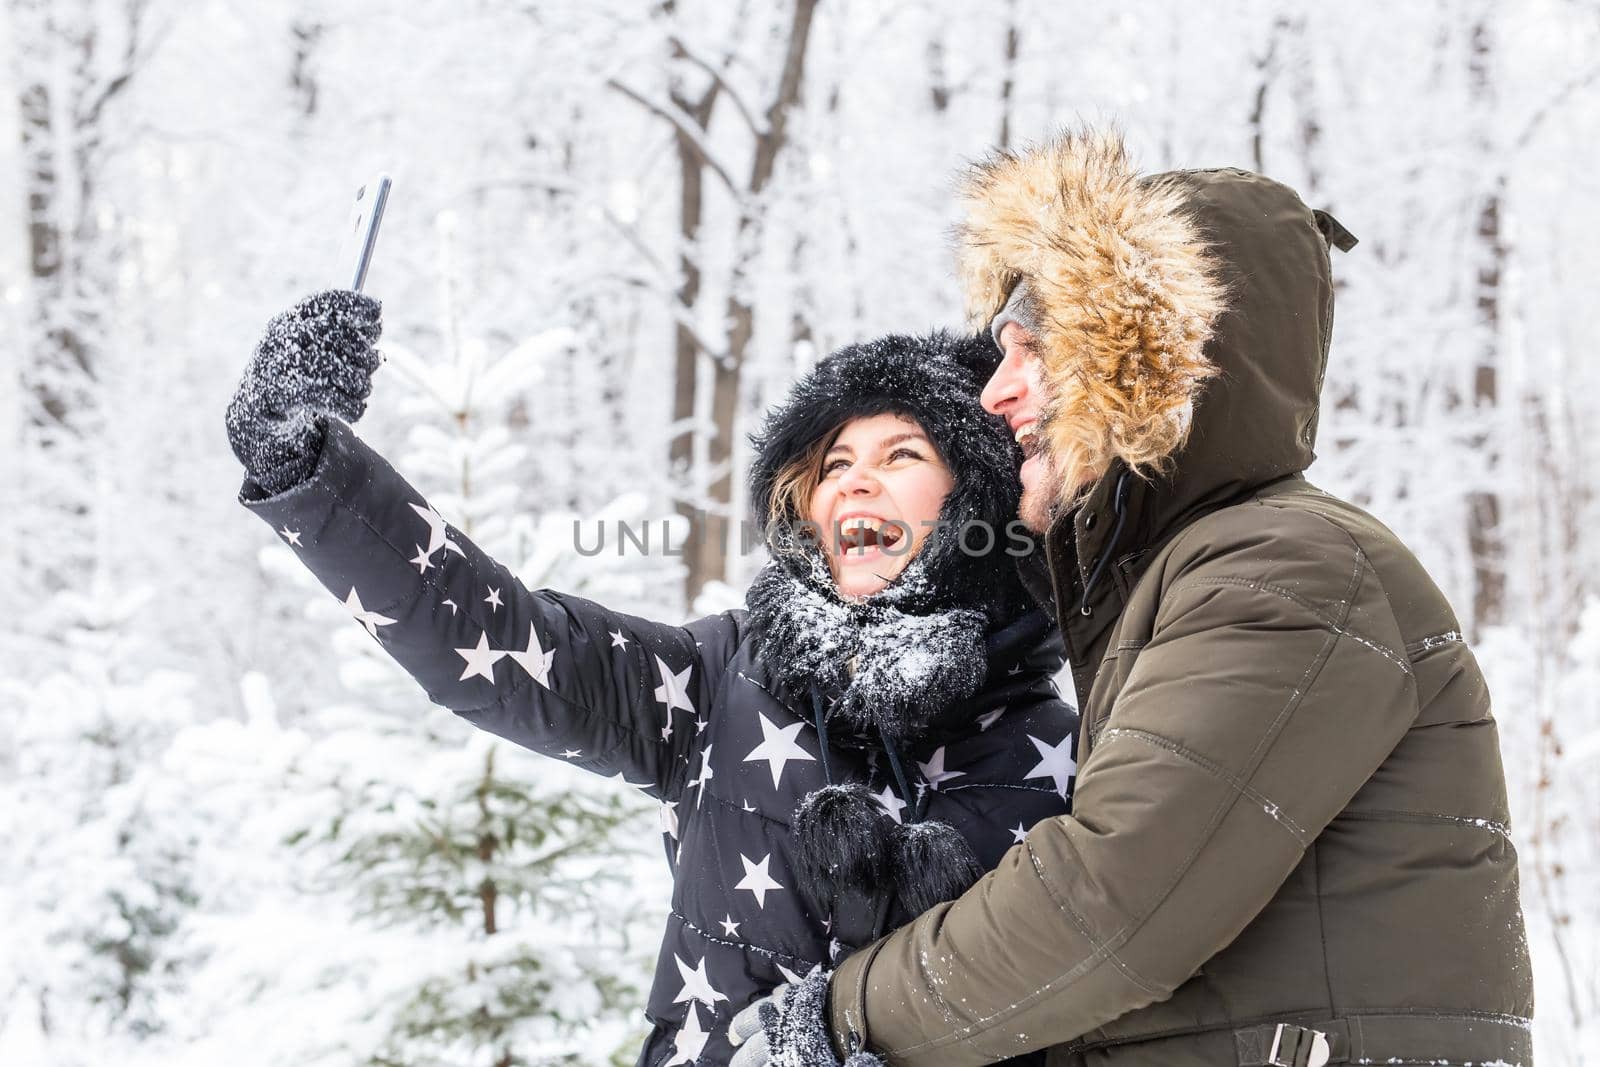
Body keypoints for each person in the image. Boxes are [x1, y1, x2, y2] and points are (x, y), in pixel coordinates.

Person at [732, 128, 1533, 1067]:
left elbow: (1109, 903)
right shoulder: (1187, 576)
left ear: (1139, 362)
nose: (996, 393)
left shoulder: (1286, 568)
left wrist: (840, 1016)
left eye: (1031, 352)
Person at [224, 305, 1081, 1067]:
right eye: (831, 464)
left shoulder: (1053, 747)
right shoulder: (725, 680)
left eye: (902, 454)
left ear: (974, 492)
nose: (855, 479)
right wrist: (309, 468)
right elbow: (494, 640)